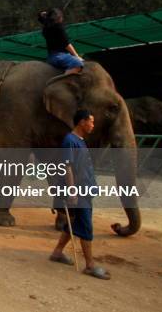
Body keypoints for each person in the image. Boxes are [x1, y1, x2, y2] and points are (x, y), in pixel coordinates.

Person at [49, 109, 111, 280]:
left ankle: (57, 252)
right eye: (91, 121)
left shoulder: (80, 141)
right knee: (85, 225)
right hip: (78, 191)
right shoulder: (70, 140)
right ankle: (90, 265)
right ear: (82, 122)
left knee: (74, 222)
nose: (93, 125)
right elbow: (67, 166)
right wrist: (72, 190)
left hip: (85, 189)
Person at [39, 8, 83, 75]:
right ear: (59, 18)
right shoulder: (58, 27)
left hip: (51, 57)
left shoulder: (46, 27)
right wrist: (77, 56)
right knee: (78, 64)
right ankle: (64, 80)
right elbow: (66, 44)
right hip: (59, 56)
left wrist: (44, 15)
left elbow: (41, 17)